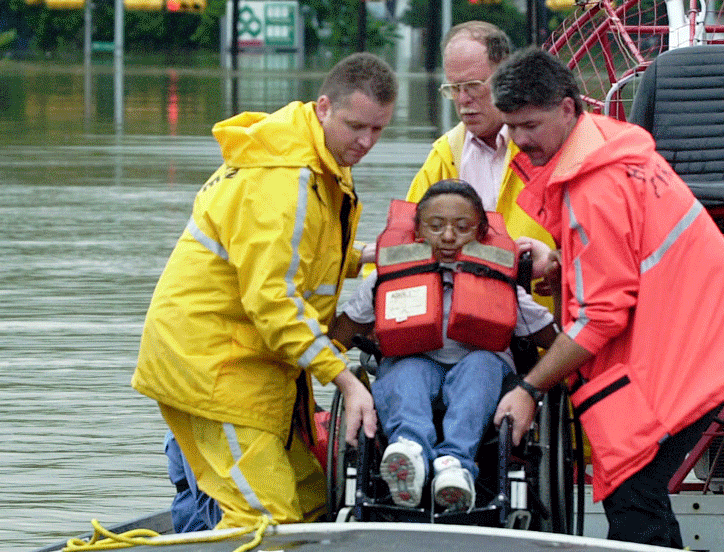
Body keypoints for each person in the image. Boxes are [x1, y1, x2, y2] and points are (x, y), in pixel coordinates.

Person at [489, 48, 724, 548]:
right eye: (511, 127)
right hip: (705, 337)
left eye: (530, 125)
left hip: (685, 355)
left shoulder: (594, 186)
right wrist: (561, 262)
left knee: (633, 494)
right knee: (637, 495)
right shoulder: (608, 145)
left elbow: (599, 317)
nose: (520, 140)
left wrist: (528, 389)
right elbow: (628, 255)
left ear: (567, 108)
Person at [132, 52, 394, 529]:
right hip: (217, 370)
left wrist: (369, 256)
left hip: (255, 368)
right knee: (267, 520)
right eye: (356, 126)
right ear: (323, 108)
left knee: (313, 501)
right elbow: (274, 301)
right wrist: (345, 379)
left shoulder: (315, 155)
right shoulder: (285, 180)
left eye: (378, 130)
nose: (365, 142)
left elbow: (297, 256)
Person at [333, 179, 557, 512]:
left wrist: (559, 285)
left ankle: (455, 464)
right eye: (436, 226)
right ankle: (408, 453)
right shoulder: (386, 279)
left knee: (481, 366)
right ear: (418, 231)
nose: (449, 236)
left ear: (480, 232)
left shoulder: (502, 283)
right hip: (411, 364)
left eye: (462, 228)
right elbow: (340, 336)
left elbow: (553, 340)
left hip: (481, 372)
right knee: (407, 370)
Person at [405, 21, 555, 290]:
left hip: (545, 309)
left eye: (473, 85)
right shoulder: (445, 155)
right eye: (454, 88)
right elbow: (403, 242)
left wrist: (560, 266)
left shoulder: (551, 145)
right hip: (468, 310)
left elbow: (602, 244)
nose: (463, 99)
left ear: (507, 74)